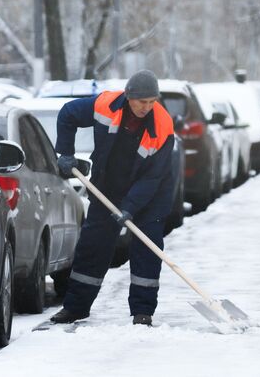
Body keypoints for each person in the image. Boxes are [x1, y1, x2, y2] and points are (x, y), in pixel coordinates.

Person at [49, 70, 177, 326]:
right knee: (92, 246)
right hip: (107, 188)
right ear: (129, 96)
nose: (147, 107)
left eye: (152, 102)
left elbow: (153, 177)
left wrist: (129, 207)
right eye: (142, 102)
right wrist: (65, 151)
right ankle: (75, 307)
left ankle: (142, 312)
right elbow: (67, 114)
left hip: (151, 196)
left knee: (147, 249)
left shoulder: (162, 126)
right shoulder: (105, 105)